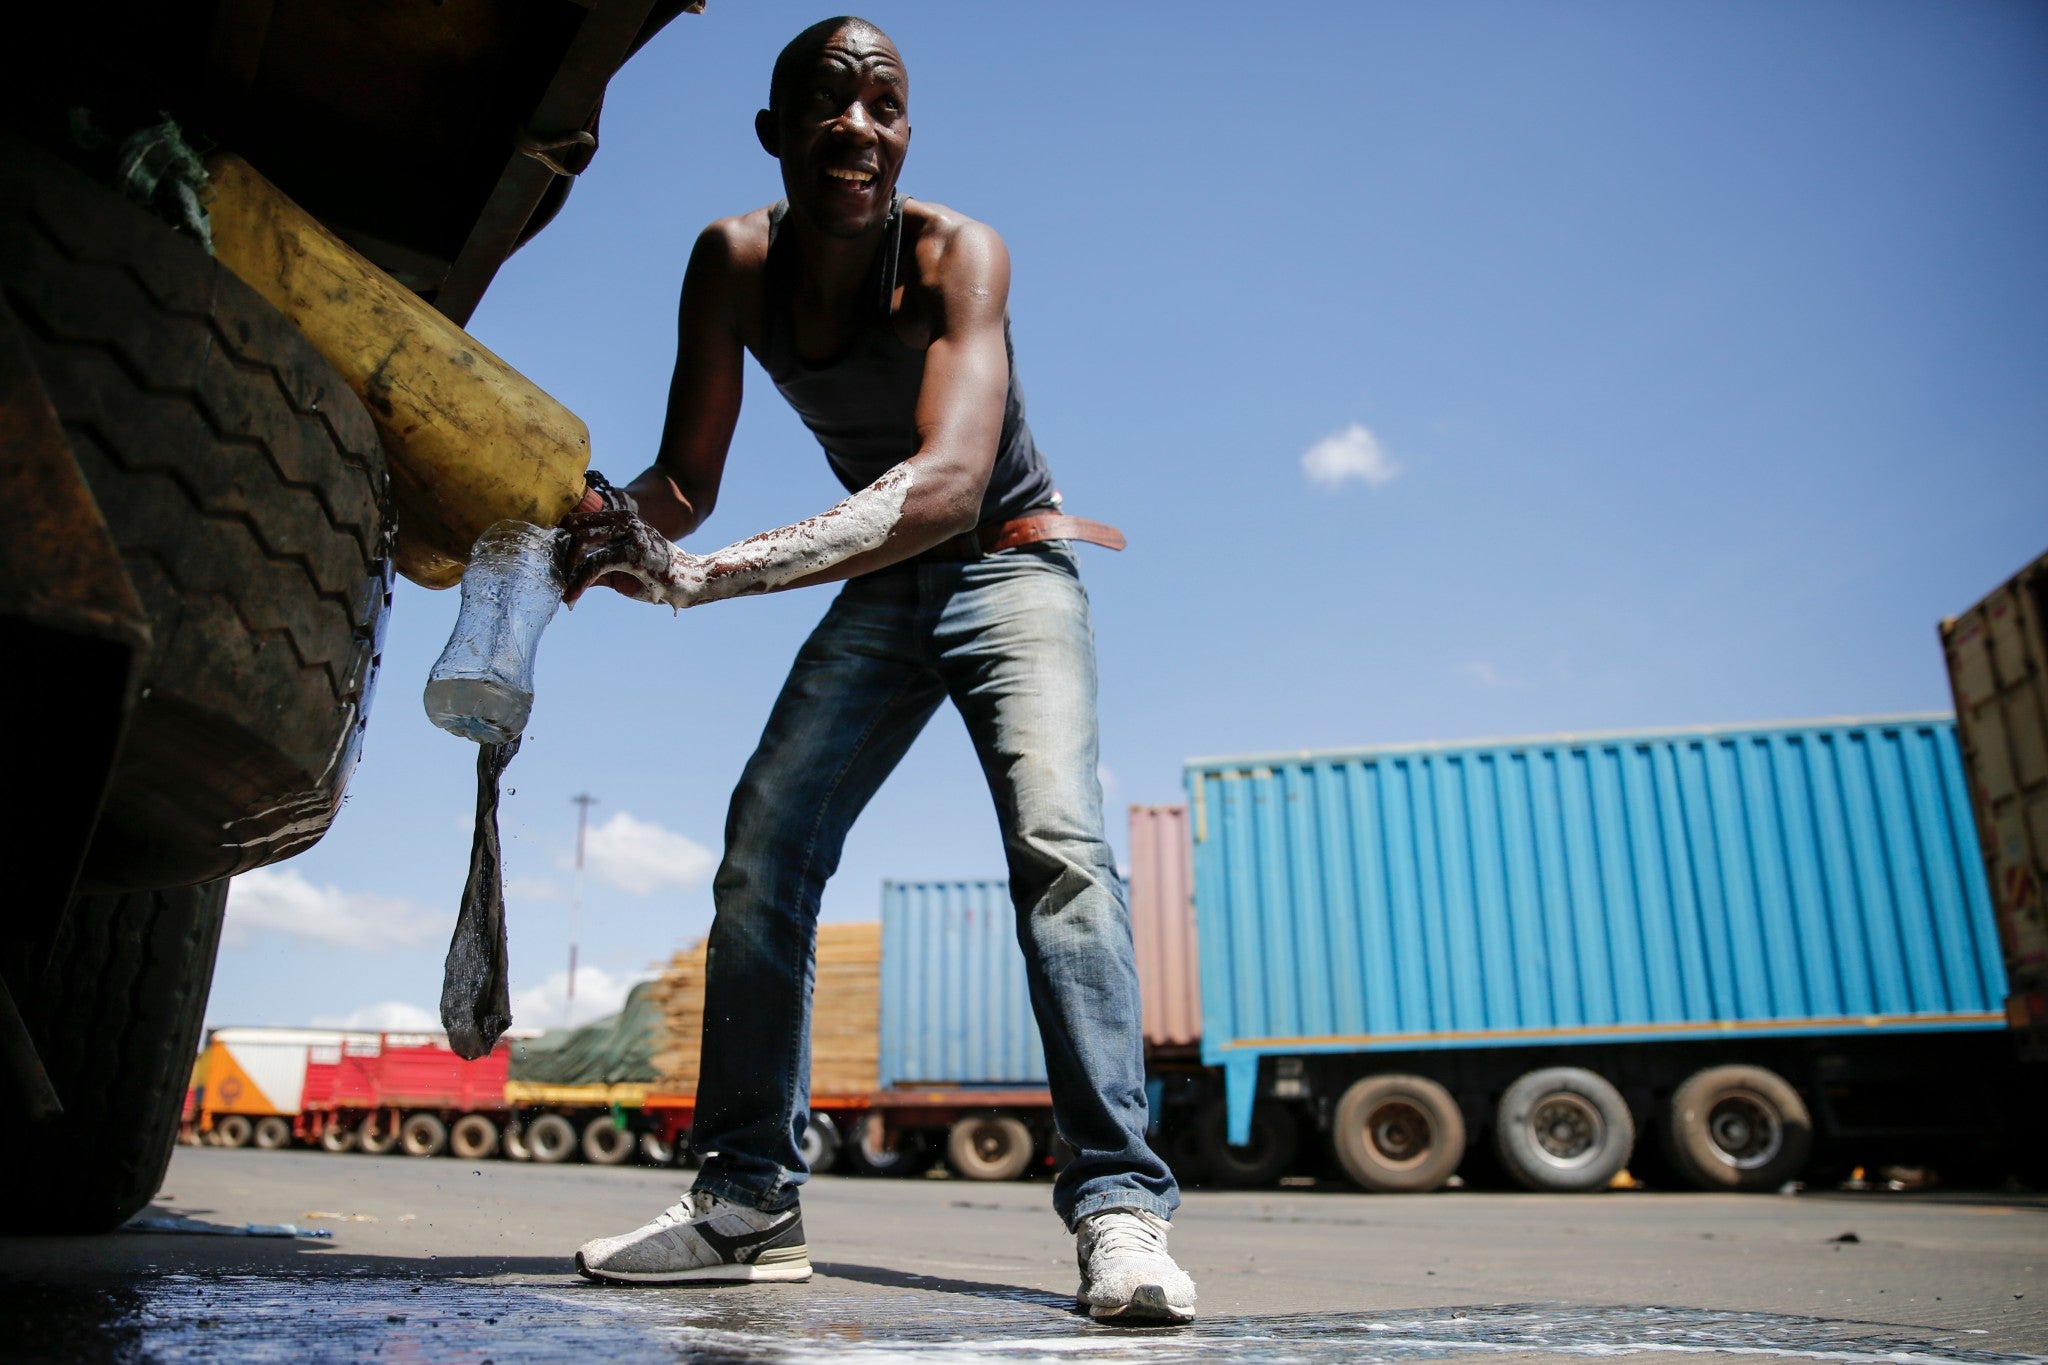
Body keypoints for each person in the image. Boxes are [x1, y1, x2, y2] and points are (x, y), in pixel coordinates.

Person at [562, 16, 1195, 1324]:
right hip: (884, 573)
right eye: (831, 105)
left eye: (886, 107)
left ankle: (1122, 1208)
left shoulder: (960, 254)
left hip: (1008, 559)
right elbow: (683, 483)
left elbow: (949, 482)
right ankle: (746, 1199)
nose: (860, 129)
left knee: (1061, 846)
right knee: (763, 850)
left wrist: (708, 576)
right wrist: (589, 525)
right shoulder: (732, 261)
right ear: (777, 133)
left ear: (906, 130)